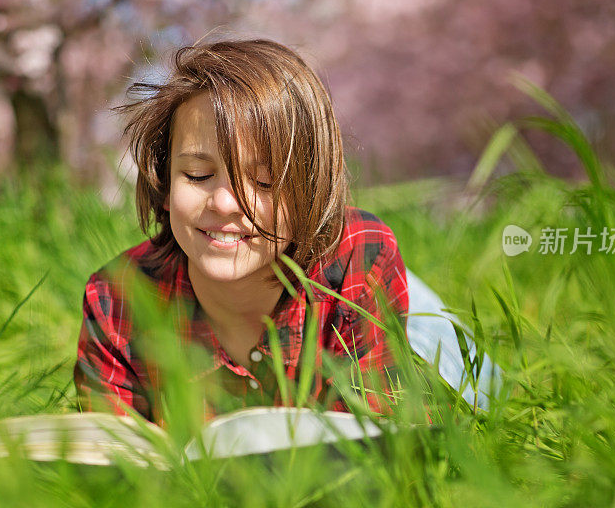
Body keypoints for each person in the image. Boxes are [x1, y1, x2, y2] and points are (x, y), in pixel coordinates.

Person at [72, 38, 409, 426]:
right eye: (198, 175)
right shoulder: (115, 300)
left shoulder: (360, 257)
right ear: (163, 183)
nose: (226, 204)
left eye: (265, 182)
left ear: (309, 191)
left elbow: (378, 455)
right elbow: (108, 470)